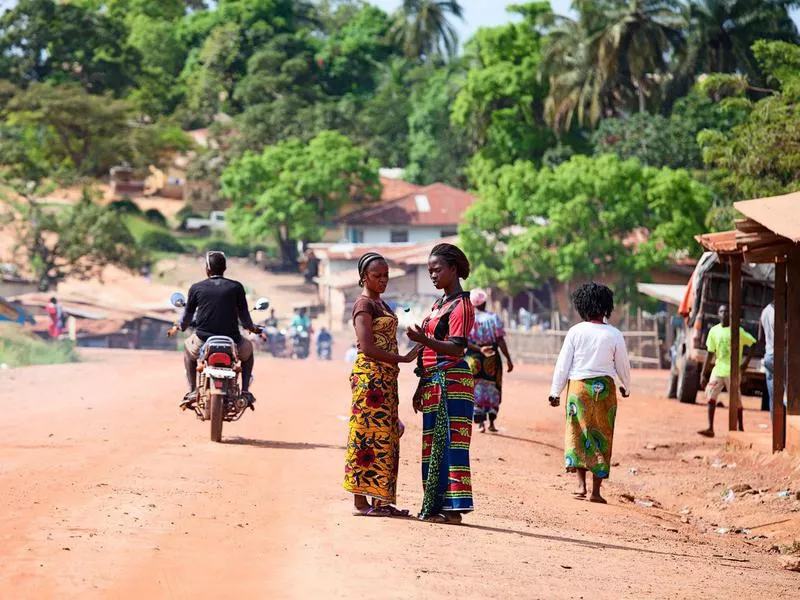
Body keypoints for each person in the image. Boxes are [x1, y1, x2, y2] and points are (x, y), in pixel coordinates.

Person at [345, 252, 418, 517]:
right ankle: (361, 503)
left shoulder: (382, 304)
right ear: (364, 277)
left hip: (385, 380)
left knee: (386, 436)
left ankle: (381, 502)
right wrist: (403, 358)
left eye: (386, 275)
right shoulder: (363, 305)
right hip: (370, 379)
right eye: (377, 276)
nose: (383, 280)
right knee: (365, 435)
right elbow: (366, 346)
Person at [407, 243, 476, 524]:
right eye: (429, 272)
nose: (432, 276)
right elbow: (429, 353)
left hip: (453, 381)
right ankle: (435, 505)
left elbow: (457, 349)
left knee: (450, 445)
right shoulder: (439, 304)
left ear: (453, 269)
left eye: (437, 270)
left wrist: (423, 340)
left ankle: (453, 509)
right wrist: (420, 385)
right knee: (432, 446)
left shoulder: (461, 306)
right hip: (434, 382)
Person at [548, 283, 631, 504]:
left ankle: (580, 486)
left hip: (578, 389)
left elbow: (563, 364)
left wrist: (555, 392)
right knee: (602, 435)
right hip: (604, 391)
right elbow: (623, 365)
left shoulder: (576, 331)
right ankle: (596, 492)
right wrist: (626, 386)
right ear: (606, 307)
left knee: (579, 433)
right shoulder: (614, 334)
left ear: (582, 306)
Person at [169, 252, 262, 409]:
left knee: (187, 348)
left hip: (203, 340)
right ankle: (245, 391)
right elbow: (245, 318)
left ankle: (192, 391)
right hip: (232, 341)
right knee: (248, 352)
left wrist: (181, 327)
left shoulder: (196, 288)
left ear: (207, 268)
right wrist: (253, 329)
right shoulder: (236, 287)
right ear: (225, 268)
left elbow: (186, 318)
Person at [698, 304, 757, 437]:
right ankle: (710, 428)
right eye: (722, 312)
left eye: (726, 312)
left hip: (733, 371)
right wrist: (703, 373)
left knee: (736, 400)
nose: (724, 314)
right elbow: (710, 353)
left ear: (730, 315)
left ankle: (740, 428)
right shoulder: (714, 331)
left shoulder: (737, 331)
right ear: (718, 314)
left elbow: (753, 343)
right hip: (718, 369)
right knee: (711, 396)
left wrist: (745, 363)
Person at [466, 288, 514, 433]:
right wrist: (509, 359)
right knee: (493, 387)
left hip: (472, 358)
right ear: (484, 302)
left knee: (475, 388)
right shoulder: (493, 318)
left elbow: (463, 341)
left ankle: (480, 424)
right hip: (491, 358)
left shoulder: (468, 319)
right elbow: (500, 340)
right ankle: (492, 422)